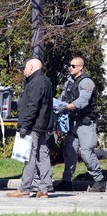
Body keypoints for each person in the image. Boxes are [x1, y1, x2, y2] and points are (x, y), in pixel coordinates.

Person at [54, 57, 105, 192]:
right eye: (70, 65)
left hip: (85, 122)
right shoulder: (70, 82)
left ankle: (99, 181)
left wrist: (65, 107)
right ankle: (66, 181)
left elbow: (82, 101)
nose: (70, 68)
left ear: (80, 67)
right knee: (69, 151)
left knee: (86, 152)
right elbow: (63, 98)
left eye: (73, 66)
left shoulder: (86, 82)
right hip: (73, 122)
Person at [6, 58, 54, 198]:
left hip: (33, 126)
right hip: (42, 126)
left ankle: (24, 188)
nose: (24, 71)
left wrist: (25, 125)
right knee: (43, 156)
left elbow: (32, 106)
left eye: (25, 68)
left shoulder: (36, 82)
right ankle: (44, 189)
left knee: (30, 156)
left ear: (32, 67)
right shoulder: (46, 81)